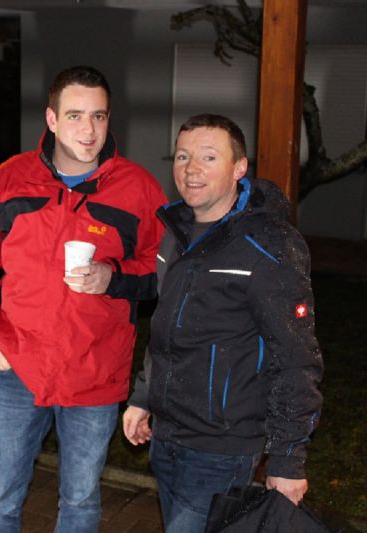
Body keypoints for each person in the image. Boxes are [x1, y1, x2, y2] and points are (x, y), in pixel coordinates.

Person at [0, 65, 166, 532]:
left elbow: (163, 274)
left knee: (81, 501)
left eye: (98, 116)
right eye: (74, 115)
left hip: (95, 373)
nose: (88, 130)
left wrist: (113, 277)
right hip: (19, 366)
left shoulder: (138, 189)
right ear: (51, 119)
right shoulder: (11, 179)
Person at [122, 114, 324, 533]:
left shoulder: (268, 245)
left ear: (239, 168)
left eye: (209, 157)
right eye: (182, 156)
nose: (191, 169)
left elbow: (296, 360)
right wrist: (143, 397)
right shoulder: (175, 231)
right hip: (166, 437)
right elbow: (166, 328)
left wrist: (287, 459)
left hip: (221, 449)